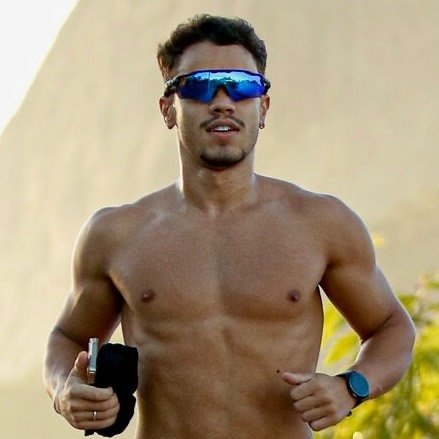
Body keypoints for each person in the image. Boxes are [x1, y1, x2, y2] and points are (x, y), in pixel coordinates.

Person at [44, 14, 415, 439]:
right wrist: (64, 391)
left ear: (263, 107)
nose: (222, 102)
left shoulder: (319, 224)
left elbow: (391, 328)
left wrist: (351, 387)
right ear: (168, 108)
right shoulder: (117, 235)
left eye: (241, 86)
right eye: (200, 86)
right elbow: (66, 337)